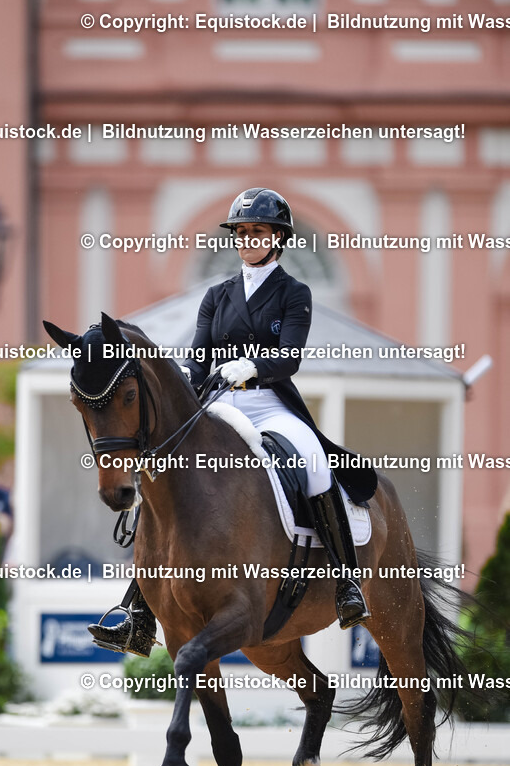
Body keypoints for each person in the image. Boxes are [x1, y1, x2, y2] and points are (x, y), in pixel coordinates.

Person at [89, 187, 378, 657]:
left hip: (270, 402)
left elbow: (289, 358)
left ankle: (347, 584)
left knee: (313, 461)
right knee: (165, 471)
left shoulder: (294, 293)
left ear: (277, 237)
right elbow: (199, 358)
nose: (247, 239)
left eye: (256, 231)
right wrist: (185, 376)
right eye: (241, 232)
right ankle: (138, 609)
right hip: (220, 403)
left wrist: (253, 367)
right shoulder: (218, 295)